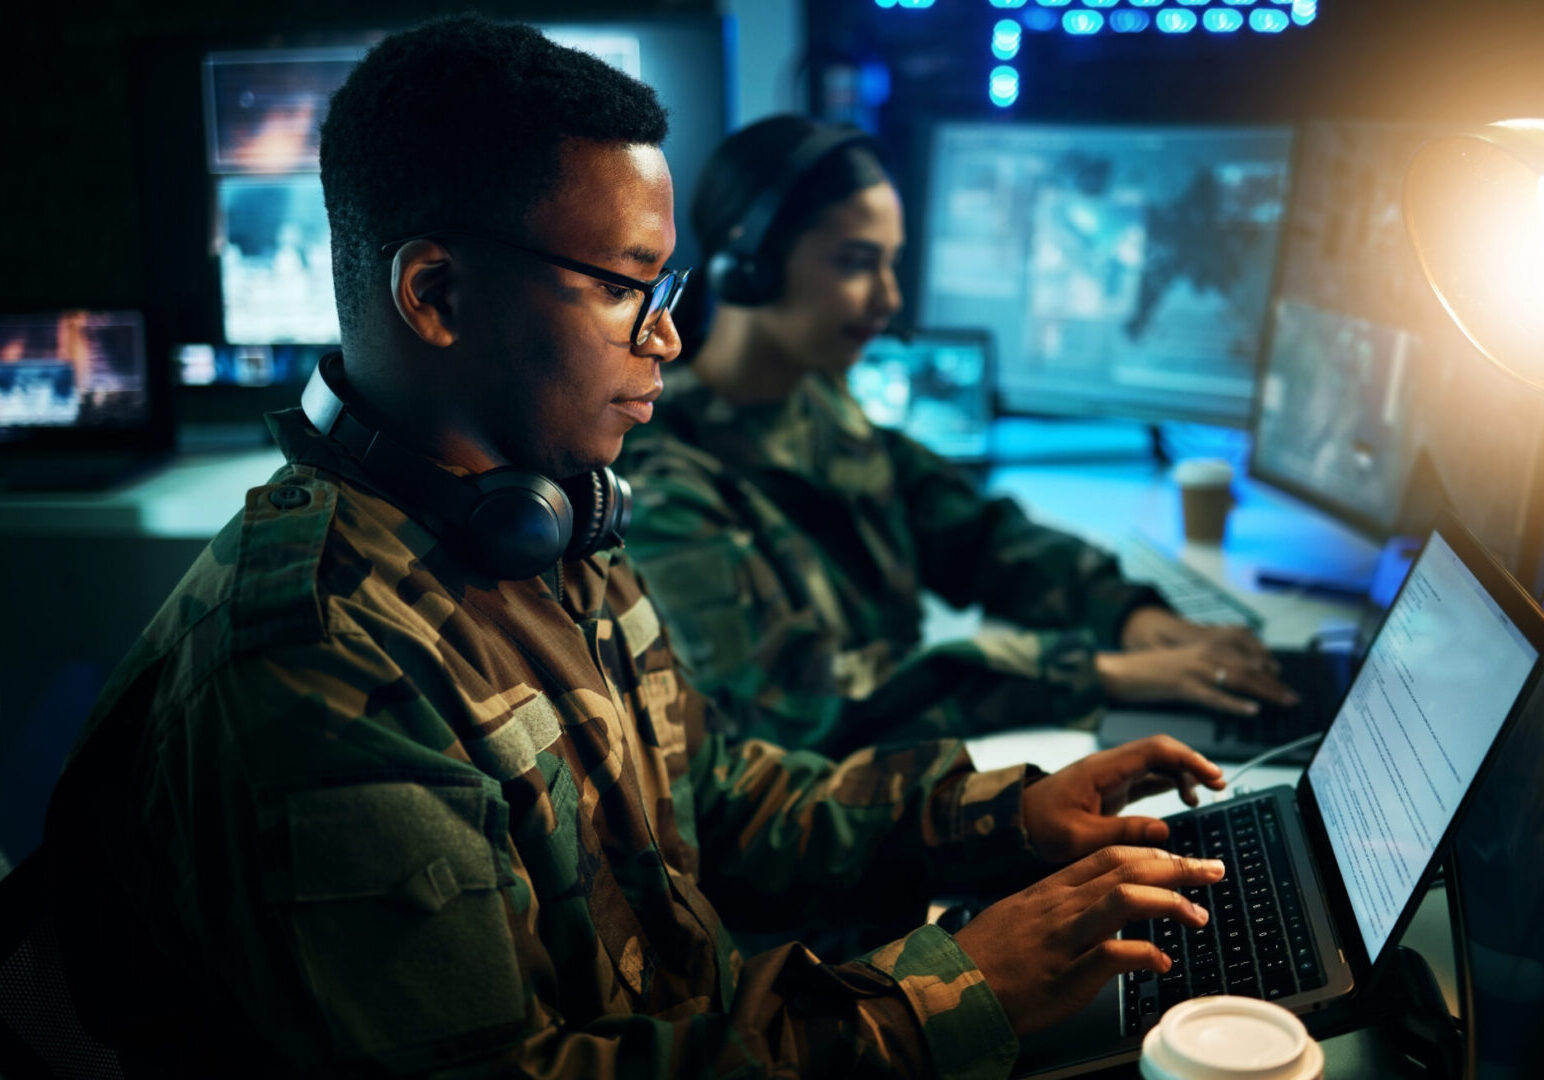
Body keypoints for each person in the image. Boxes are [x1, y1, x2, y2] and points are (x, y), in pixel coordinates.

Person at [45, 19, 1230, 1078]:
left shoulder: (540, 512)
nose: (666, 332)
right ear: (438, 294)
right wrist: (949, 994)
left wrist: (999, 818)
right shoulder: (316, 669)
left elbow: (708, 794)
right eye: (624, 286)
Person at [616, 114, 1297, 757]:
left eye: (891, 263)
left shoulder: (816, 398)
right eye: (856, 262)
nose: (889, 299)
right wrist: (1101, 673)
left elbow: (974, 534)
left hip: (908, 784)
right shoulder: (661, 477)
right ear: (751, 261)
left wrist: (1127, 616)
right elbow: (793, 703)